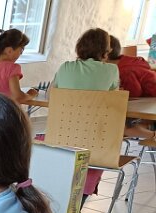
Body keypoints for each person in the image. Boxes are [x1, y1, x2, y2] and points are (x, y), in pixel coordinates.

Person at [53, 28, 153, 201]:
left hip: (61, 142)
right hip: (98, 149)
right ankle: (80, 198)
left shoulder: (65, 67)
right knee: (115, 126)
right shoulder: (111, 70)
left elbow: (51, 95)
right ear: (105, 51)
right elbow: (113, 104)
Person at [0, 28, 39, 103]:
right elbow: (18, 97)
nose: (20, 55)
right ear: (9, 51)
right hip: (5, 109)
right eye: (20, 51)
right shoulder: (12, 68)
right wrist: (31, 94)